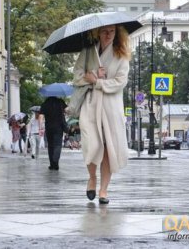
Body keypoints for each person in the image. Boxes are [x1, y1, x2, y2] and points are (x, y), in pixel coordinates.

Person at [72, 24, 130, 204]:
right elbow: (77, 75)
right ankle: (92, 177)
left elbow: (120, 82)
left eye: (112, 31)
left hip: (111, 106)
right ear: (98, 32)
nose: (108, 35)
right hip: (90, 104)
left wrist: (98, 82)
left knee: (108, 148)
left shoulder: (121, 55)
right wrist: (93, 75)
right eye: (105, 31)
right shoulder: (89, 52)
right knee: (91, 143)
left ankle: (103, 190)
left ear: (117, 33)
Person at [40, 96, 67, 170]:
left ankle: (52, 164)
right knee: (58, 145)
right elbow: (67, 111)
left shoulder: (45, 103)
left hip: (49, 127)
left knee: (50, 146)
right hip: (59, 127)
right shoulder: (60, 102)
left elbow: (41, 115)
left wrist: (40, 127)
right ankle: (56, 161)